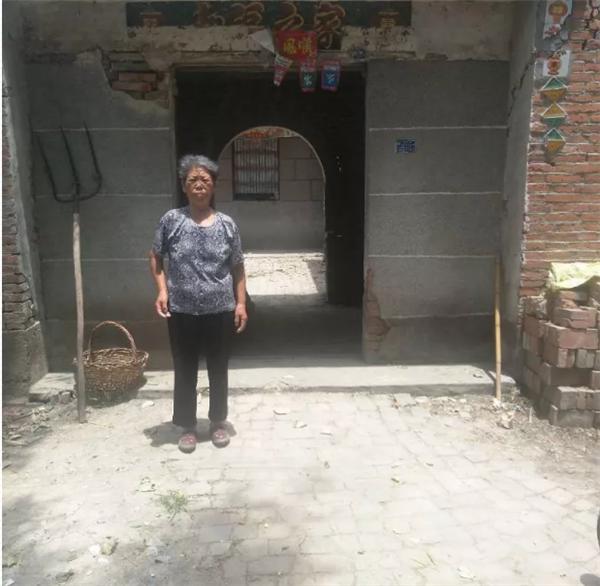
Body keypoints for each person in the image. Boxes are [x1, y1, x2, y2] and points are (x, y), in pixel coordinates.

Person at [149, 154, 247, 453]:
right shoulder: (171, 220)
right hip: (182, 310)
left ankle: (218, 422)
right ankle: (187, 426)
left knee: (218, 367)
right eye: (193, 180)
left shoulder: (227, 225)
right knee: (184, 368)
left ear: (214, 185)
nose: (199, 185)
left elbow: (238, 267)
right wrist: (162, 291)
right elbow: (155, 256)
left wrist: (241, 304)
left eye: (205, 179)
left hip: (220, 309)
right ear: (184, 186)